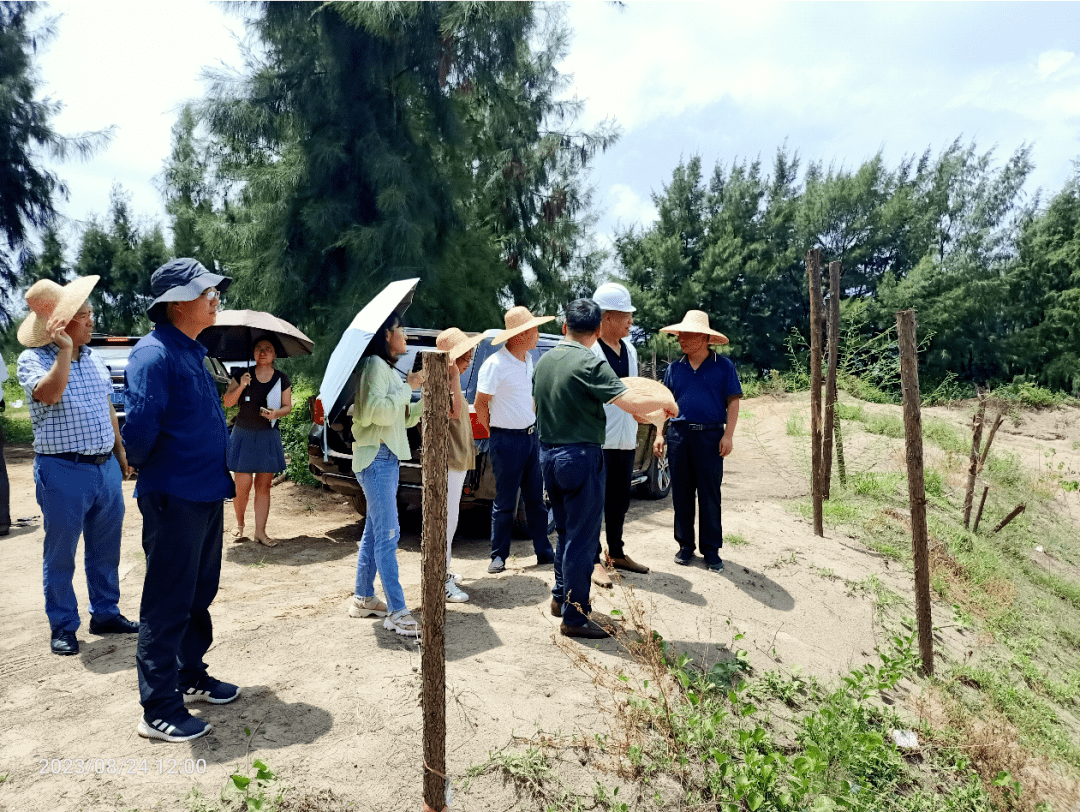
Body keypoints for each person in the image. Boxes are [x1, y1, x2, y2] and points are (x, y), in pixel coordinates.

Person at [123, 258, 239, 742]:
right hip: (175, 495)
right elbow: (140, 431)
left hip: (208, 490)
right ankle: (159, 707)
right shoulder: (153, 355)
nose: (215, 297)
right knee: (168, 600)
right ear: (175, 303)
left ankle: (191, 675)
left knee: (198, 594)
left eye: (214, 290)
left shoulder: (192, 350)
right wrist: (156, 472)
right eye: (205, 291)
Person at [535, 299, 677, 640]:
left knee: (566, 533)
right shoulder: (590, 362)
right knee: (583, 541)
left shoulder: (544, 361)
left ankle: (560, 599)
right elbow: (630, 402)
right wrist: (666, 403)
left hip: (547, 456)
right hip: (581, 457)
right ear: (598, 330)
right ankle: (576, 617)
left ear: (564, 327)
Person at [16, 276, 137, 656]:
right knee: (61, 553)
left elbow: (106, 407)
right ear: (61, 323)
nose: (91, 319)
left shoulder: (95, 356)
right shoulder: (32, 359)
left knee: (106, 549)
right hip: (62, 470)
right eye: (83, 314)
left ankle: (105, 612)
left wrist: (120, 452)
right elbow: (50, 394)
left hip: (104, 469)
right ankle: (64, 625)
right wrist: (64, 352)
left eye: (89, 312)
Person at [346, 312, 427, 636]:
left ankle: (364, 597)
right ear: (386, 335)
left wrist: (421, 400)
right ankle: (397, 611)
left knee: (376, 530)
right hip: (377, 460)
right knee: (389, 534)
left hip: (385, 458)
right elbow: (374, 412)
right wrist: (407, 388)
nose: (405, 336)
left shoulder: (387, 369)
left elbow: (399, 419)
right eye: (401, 330)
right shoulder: (374, 367)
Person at [654, 310, 742, 573]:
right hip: (679, 436)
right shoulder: (674, 369)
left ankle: (711, 550)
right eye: (680, 334)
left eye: (688, 334)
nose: (681, 339)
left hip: (711, 436)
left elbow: (733, 402)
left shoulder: (723, 366)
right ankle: (685, 545)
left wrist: (728, 435)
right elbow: (665, 406)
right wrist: (660, 433)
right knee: (681, 492)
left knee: (709, 493)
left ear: (704, 338)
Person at [475, 306, 557, 574]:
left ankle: (543, 551)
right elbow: (481, 404)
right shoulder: (495, 364)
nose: (537, 334)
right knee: (505, 501)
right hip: (506, 440)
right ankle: (498, 555)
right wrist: (496, 432)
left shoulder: (528, 360)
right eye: (533, 330)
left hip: (530, 438)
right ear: (518, 335)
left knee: (535, 499)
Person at [589, 282, 650, 579]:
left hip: (625, 438)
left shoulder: (631, 349)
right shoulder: (590, 350)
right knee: (593, 503)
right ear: (607, 317)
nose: (631, 321)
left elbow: (634, 389)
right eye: (626, 315)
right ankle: (593, 560)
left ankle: (616, 551)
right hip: (598, 439)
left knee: (619, 501)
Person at [222, 338, 293, 547]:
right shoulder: (242, 375)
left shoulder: (281, 378)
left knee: (264, 487)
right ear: (253, 353)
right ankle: (240, 524)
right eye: (258, 349)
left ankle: (260, 532)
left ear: (274, 355)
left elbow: (287, 406)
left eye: (268, 349)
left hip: (267, 435)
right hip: (243, 434)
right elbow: (228, 402)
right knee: (242, 485)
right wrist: (241, 386)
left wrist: (276, 414)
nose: (263, 352)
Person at [435, 327, 485, 603]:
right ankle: (440, 578)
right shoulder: (441, 384)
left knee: (451, 518)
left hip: (458, 459)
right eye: (464, 359)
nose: (467, 365)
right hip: (449, 461)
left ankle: (445, 569)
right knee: (446, 519)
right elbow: (453, 411)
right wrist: (453, 375)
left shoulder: (449, 383)